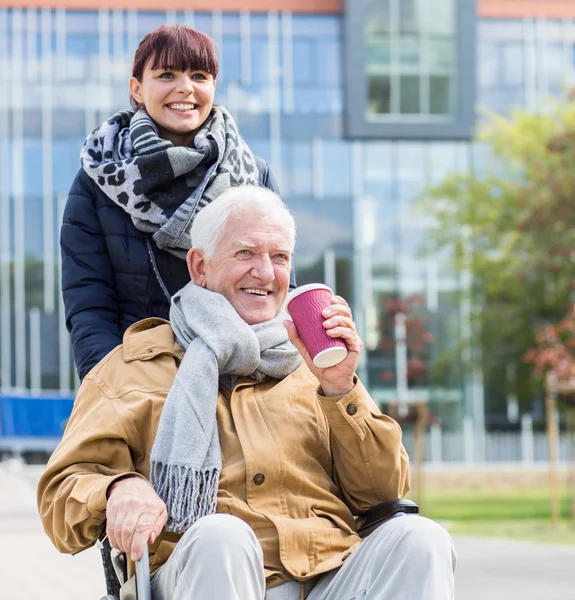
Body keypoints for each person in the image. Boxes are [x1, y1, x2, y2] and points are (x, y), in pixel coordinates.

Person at [39, 186, 456, 600]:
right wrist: (115, 489)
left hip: (330, 577)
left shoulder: (313, 362)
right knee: (222, 535)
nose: (265, 272)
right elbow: (61, 498)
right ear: (199, 266)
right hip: (206, 574)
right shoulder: (133, 368)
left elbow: (384, 494)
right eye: (245, 253)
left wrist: (341, 388)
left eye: (280, 257)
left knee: (420, 539)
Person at [61, 24, 289, 383]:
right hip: (139, 383)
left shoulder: (252, 175)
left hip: (240, 381)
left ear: (213, 87)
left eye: (199, 75)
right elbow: (89, 302)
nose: (185, 87)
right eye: (167, 74)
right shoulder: (99, 178)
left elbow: (278, 284)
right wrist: (110, 389)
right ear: (137, 88)